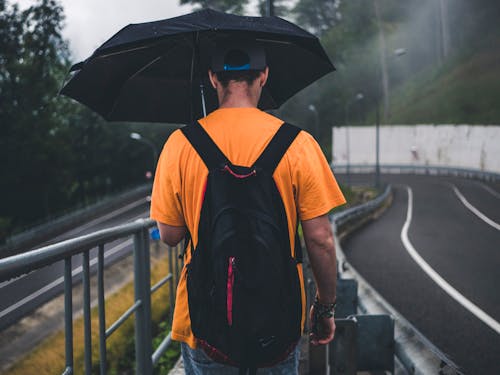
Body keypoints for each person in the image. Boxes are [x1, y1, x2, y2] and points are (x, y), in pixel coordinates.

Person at [150, 39, 346, 374]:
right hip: (278, 315)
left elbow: (169, 235)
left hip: (203, 320)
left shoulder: (181, 144)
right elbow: (321, 240)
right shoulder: (298, 144)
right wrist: (325, 308)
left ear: (213, 78)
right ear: (265, 75)